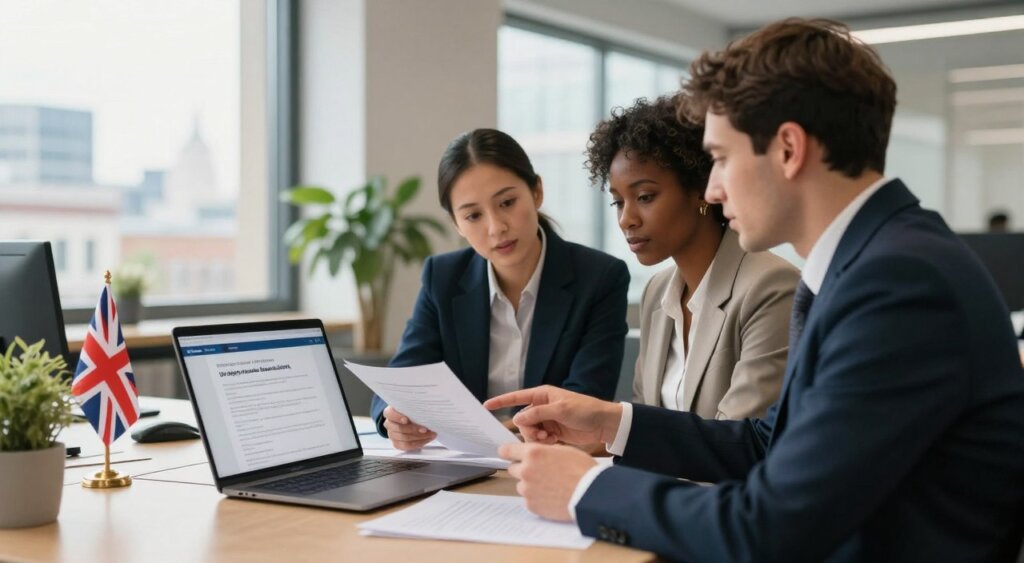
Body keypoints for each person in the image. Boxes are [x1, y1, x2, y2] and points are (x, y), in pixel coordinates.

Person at [486, 18, 1024, 562]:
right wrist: (611, 422)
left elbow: (770, 528)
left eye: (720, 157)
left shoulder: (900, 284)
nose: (713, 188)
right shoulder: (867, 262)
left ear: (788, 149)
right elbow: (768, 443)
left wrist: (583, 490)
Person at [370, 128, 630, 449]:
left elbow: (586, 398)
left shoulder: (601, 277)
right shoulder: (443, 277)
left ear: (536, 191)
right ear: (456, 224)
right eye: (473, 215)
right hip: (465, 466)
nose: (496, 228)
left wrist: (504, 431)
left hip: (553, 460)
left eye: (507, 202)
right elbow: (403, 377)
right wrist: (393, 418)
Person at [585, 95, 798, 419]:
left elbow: (742, 438)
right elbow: (645, 422)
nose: (627, 219)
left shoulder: (771, 286)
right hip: (659, 471)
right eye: (618, 202)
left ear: (701, 188)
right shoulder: (657, 292)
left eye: (644, 196)